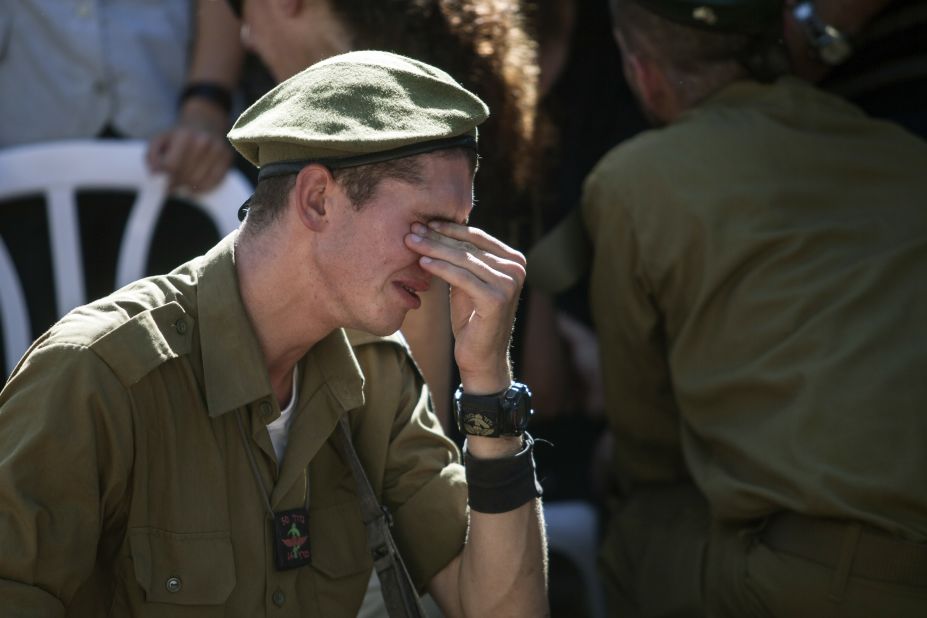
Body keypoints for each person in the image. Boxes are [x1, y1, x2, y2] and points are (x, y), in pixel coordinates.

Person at [0, 50, 548, 617]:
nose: (443, 262)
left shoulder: (376, 372)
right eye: (428, 227)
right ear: (317, 199)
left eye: (457, 232)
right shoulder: (99, 375)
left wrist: (489, 388)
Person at [576, 0, 927, 615]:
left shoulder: (633, 180)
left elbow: (649, 450)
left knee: (637, 529)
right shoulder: (903, 152)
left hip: (836, 581)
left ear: (643, 74)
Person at [228, 0, 540, 429]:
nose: (244, 34)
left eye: (237, 5)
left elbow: (426, 472)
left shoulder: (403, 245)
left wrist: (488, 386)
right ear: (316, 199)